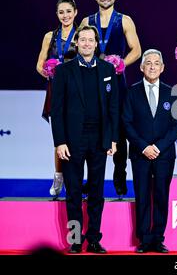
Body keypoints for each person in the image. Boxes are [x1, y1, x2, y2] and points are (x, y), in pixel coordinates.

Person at [51, 25, 119, 254]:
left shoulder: (108, 69)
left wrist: (112, 139)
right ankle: (75, 240)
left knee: (97, 192)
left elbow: (113, 108)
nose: (88, 44)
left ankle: (94, 239)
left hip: (100, 139)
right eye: (83, 40)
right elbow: (56, 110)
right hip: (72, 141)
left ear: (96, 43)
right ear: (77, 43)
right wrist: (59, 142)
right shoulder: (63, 71)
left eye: (92, 40)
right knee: (73, 193)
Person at [81, 0, 142, 198]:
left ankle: (119, 176)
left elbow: (137, 50)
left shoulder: (124, 20)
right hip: (93, 81)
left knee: (120, 129)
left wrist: (122, 63)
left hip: (117, 82)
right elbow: (79, 47)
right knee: (92, 128)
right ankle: (91, 178)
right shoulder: (87, 22)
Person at [122, 49, 177, 253]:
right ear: (141, 67)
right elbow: (127, 124)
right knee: (142, 196)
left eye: (157, 63)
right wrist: (144, 147)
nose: (152, 66)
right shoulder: (131, 92)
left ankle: (158, 238)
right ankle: (144, 239)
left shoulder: (171, 92)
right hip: (140, 155)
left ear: (163, 67)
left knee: (160, 195)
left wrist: (157, 147)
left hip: (164, 155)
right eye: (148, 63)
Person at [36, 0, 78, 198]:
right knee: (59, 137)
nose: (65, 16)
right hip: (57, 92)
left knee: (77, 139)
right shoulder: (49, 37)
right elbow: (39, 65)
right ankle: (58, 175)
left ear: (75, 12)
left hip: (77, 92)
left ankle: (75, 181)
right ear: (57, 14)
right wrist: (49, 71)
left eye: (68, 11)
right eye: (61, 12)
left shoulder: (82, 35)